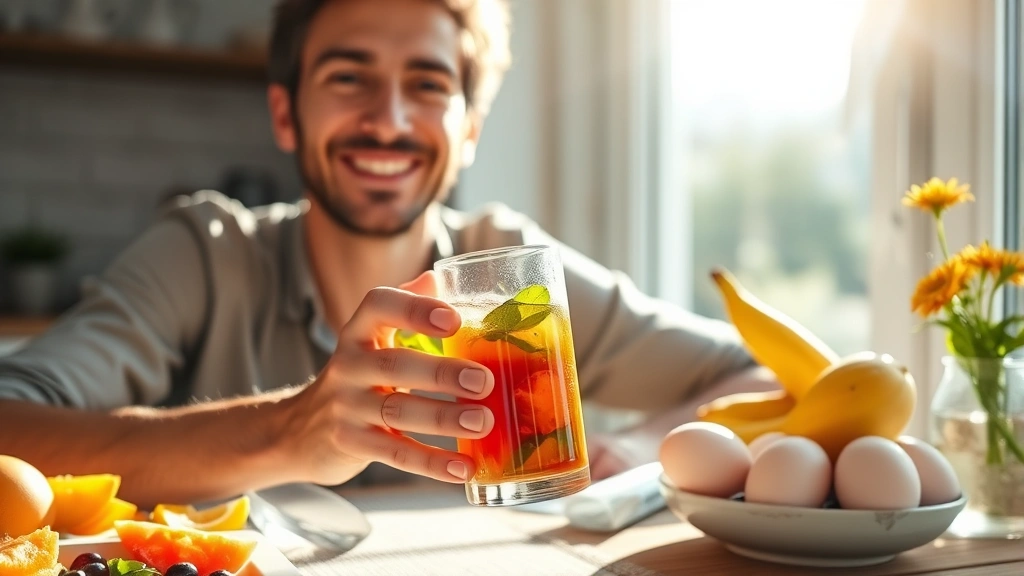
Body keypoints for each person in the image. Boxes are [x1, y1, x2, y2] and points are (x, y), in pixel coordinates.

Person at [0, 0, 776, 508]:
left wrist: (635, 446)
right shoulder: (203, 256)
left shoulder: (512, 276)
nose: (389, 119)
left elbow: (763, 376)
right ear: (285, 112)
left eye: (429, 84)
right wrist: (287, 430)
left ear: (469, 127)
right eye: (349, 77)